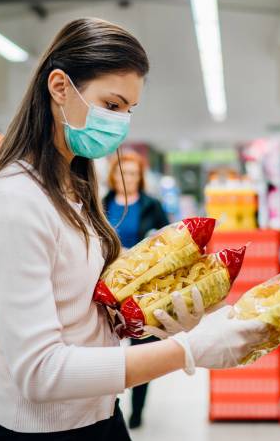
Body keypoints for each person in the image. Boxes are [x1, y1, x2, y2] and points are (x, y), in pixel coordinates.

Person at [0, 18, 267, 440]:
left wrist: (153, 315)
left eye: (129, 110)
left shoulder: (73, 189)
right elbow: (40, 372)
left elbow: (77, 310)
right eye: (112, 104)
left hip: (99, 417)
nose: (122, 123)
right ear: (59, 87)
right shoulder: (15, 202)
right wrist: (187, 352)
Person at [103, 151, 168, 429]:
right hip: (108, 288)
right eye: (121, 172)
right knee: (106, 348)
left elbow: (168, 241)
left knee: (142, 348)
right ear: (113, 175)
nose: (126, 178)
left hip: (143, 289)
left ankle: (137, 409)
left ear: (140, 177)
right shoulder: (100, 203)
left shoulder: (152, 206)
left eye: (132, 173)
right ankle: (108, 404)